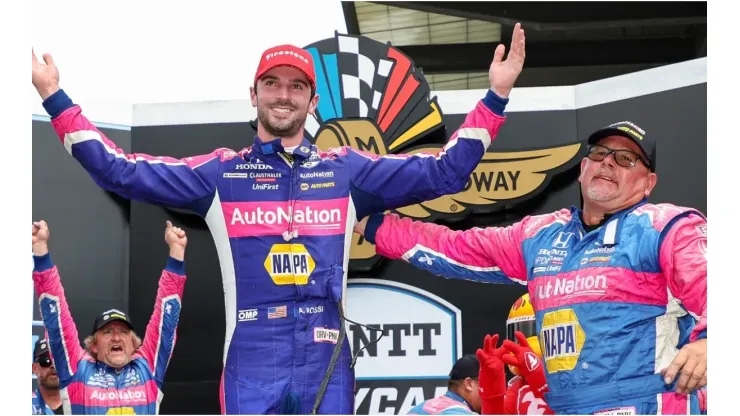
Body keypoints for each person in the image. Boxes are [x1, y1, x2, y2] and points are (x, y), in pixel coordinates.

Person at [30, 24, 527, 415]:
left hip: (326, 362)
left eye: (295, 86)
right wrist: (55, 98)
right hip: (251, 360)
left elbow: (444, 171)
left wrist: (495, 99)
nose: (283, 95)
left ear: (312, 101)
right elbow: (121, 171)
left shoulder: (346, 171)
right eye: (272, 84)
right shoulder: (221, 173)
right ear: (254, 94)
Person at [355, 121, 707, 415]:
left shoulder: (669, 227)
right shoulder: (539, 235)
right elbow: (453, 247)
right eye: (599, 153)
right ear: (583, 169)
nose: (608, 163)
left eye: (626, 158)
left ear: (649, 183)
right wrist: (366, 223)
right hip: (565, 407)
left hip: (651, 403)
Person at [32, 220, 188, 414]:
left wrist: (177, 252)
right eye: (107, 332)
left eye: (123, 331)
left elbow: (167, 319)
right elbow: (56, 321)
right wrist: (40, 250)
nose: (116, 337)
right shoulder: (76, 371)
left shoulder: (148, 367)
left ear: (133, 344)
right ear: (94, 346)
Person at [476, 294, 554, 415]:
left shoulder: (580, 375)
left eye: (533, 331)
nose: (525, 341)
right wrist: (491, 394)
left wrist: (541, 382)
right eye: (519, 331)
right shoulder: (519, 386)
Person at [408, 355, 482, 415]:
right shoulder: (460, 413)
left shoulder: (418, 408)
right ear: (469, 384)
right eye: (488, 383)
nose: (493, 391)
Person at [32, 338, 63, 415]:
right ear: (34, 368)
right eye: (45, 360)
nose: (53, 365)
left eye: (58, 359)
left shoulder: (85, 406)